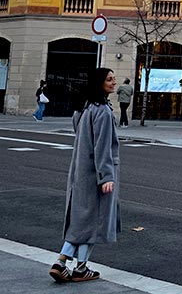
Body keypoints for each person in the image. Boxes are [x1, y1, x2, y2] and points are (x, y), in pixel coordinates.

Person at [49, 68, 121, 283]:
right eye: (109, 79)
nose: (113, 83)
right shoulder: (103, 111)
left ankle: (74, 264)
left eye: (113, 79)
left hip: (79, 170)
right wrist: (106, 176)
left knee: (82, 219)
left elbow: (80, 135)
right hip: (96, 173)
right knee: (94, 221)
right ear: (99, 83)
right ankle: (68, 263)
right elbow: (103, 146)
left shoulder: (83, 107)